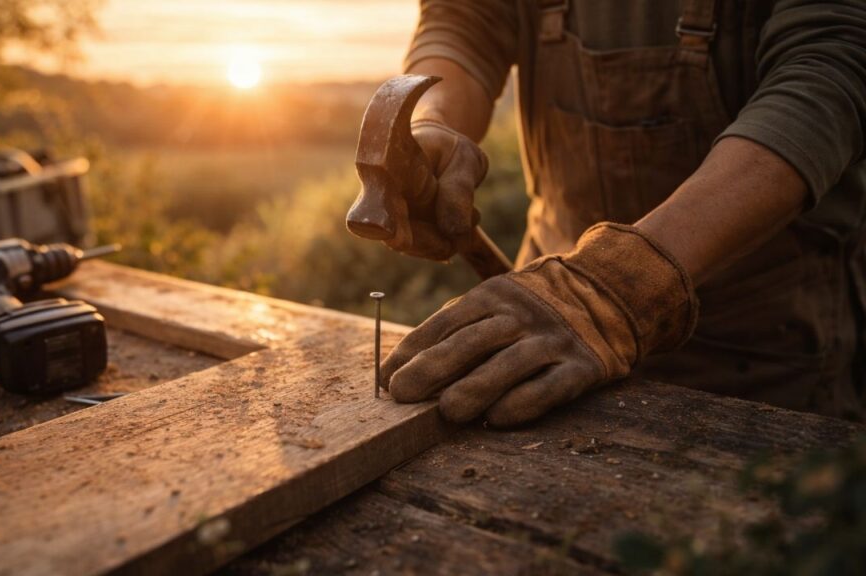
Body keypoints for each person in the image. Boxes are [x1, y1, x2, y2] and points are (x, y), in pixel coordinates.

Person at [371, 0, 866, 426]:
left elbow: (831, 69)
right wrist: (434, 122)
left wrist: (617, 285)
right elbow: (466, 20)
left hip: (759, 355)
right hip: (541, 321)